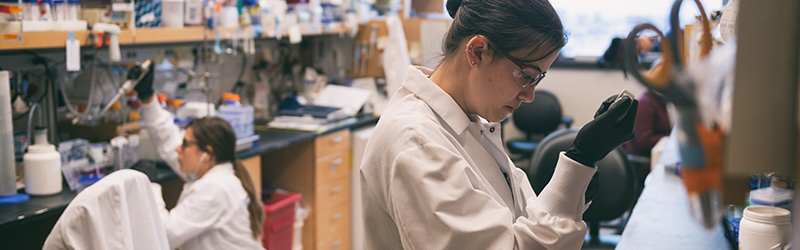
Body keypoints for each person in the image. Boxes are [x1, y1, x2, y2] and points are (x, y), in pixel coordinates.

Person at [358, 0, 639, 249]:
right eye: (526, 75)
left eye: (538, 78)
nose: (530, 95)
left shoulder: (468, 125)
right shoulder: (417, 142)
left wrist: (574, 190)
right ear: (477, 52)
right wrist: (579, 162)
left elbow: (523, 218)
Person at [129, 63, 265, 250]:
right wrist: (148, 98)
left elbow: (165, 236)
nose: (178, 149)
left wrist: (149, 187)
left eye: (185, 144)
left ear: (207, 153)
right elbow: (168, 140)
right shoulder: (214, 173)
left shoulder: (214, 189)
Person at [625, 89, 671, 181]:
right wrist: (670, 137)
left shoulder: (663, 102)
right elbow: (644, 141)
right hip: (643, 164)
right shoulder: (645, 103)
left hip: (660, 158)